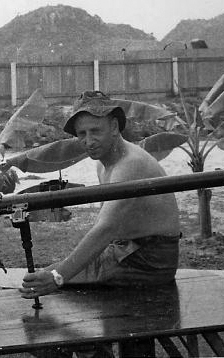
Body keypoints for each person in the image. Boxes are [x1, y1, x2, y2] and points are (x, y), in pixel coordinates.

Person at [19, 90, 180, 299]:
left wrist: (59, 276)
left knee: (56, 283)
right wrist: (59, 271)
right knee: (45, 275)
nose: (89, 141)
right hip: (127, 253)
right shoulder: (104, 165)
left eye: (95, 131)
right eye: (82, 134)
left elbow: (106, 228)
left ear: (114, 127)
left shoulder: (130, 164)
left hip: (150, 261)